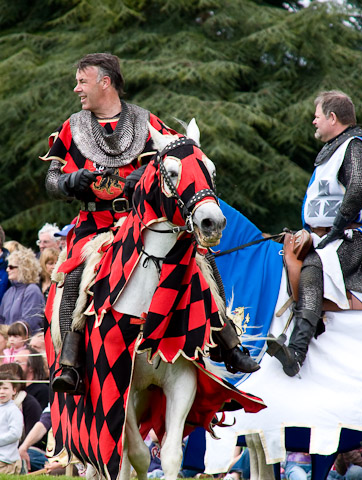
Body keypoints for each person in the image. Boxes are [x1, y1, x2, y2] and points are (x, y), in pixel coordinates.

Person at [43, 53, 257, 393]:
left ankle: (227, 341)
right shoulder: (72, 127)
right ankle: (71, 359)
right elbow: (51, 180)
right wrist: (72, 182)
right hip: (94, 225)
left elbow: (178, 154)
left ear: (105, 82)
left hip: (141, 220)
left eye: (82, 82)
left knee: (201, 258)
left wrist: (143, 174)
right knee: (74, 275)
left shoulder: (148, 123)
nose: (76, 89)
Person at [268, 90, 362, 377]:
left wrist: (336, 227)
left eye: (317, 116)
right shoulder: (334, 148)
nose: (313, 121)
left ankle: (296, 352)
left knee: (313, 267)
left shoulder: (355, 145)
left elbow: (358, 189)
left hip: (351, 237)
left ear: (333, 117)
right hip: (324, 236)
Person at [0, 249, 45, 334]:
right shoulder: (9, 291)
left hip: (25, 342)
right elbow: (0, 319)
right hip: (10, 342)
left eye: (11, 267)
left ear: (24, 268)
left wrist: (8, 335)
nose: (7, 269)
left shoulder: (32, 290)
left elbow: (29, 322)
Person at [15, 335, 50, 410]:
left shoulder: (42, 391)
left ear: (31, 367)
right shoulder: (15, 388)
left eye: (18, 363)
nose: (14, 367)